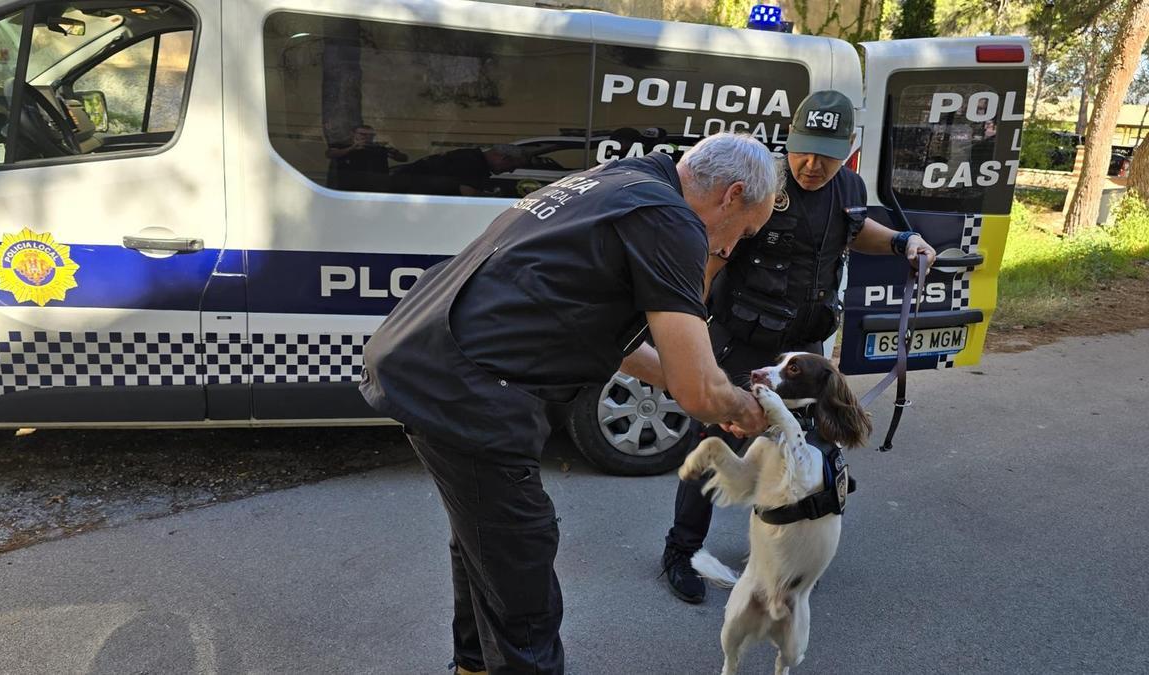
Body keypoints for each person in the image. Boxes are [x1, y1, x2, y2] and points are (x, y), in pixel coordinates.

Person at [361, 133, 781, 674]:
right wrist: (744, 406)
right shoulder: (670, 220)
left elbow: (620, 343)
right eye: (743, 233)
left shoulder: (616, 183)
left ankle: (472, 665)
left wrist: (699, 387)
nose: (731, 248)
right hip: (469, 389)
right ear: (732, 195)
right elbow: (699, 390)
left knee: (486, 546)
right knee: (523, 579)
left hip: (427, 362)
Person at [659, 91, 938, 604]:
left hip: (805, 349)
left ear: (848, 147)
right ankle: (681, 550)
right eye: (803, 149)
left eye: (826, 155)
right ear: (789, 140)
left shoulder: (849, 187)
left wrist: (903, 242)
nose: (811, 164)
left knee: (811, 447)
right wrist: (692, 337)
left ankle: (789, 546)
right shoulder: (765, 183)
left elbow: (857, 230)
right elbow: (709, 266)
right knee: (715, 445)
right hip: (742, 342)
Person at [392, 144, 528, 196]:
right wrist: (495, 197)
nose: (511, 172)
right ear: (504, 158)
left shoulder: (472, 157)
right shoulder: (472, 162)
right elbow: (468, 194)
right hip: (406, 195)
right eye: (513, 166)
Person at [325, 124, 407, 192]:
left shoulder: (379, 148)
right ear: (353, 134)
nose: (367, 137)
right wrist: (352, 148)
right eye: (363, 134)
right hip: (349, 189)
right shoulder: (344, 146)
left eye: (371, 135)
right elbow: (330, 154)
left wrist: (394, 152)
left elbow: (403, 159)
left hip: (376, 190)